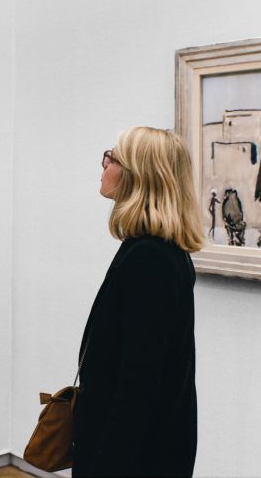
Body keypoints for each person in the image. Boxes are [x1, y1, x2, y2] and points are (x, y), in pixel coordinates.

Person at [73, 126, 203, 477]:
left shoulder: (151, 259)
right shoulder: (153, 250)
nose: (104, 165)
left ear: (139, 177)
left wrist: (104, 466)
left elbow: (138, 386)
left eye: (113, 158)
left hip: (134, 458)